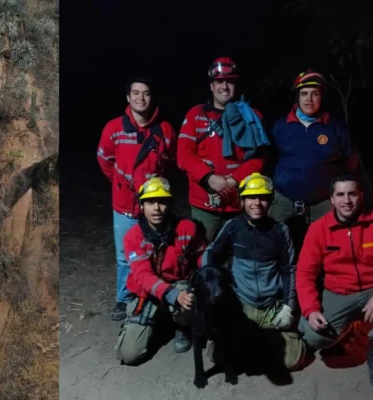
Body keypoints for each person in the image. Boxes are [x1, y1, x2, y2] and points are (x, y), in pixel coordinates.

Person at [200, 172, 306, 370]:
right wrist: (211, 284)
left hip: (271, 305)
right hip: (242, 303)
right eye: (251, 197)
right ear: (242, 201)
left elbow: (289, 269)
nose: (257, 203)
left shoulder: (280, 231)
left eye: (263, 197)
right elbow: (211, 254)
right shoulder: (233, 227)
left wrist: (288, 307)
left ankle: (269, 337)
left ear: (270, 201)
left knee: (292, 361)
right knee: (219, 356)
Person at [97, 76, 178, 321]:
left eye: (146, 93)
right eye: (136, 93)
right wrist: (121, 185)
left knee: (158, 252)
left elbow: (172, 162)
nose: (141, 98)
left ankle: (155, 296)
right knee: (124, 256)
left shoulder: (164, 130)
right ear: (128, 97)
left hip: (155, 206)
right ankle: (123, 299)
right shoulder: (114, 128)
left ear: (152, 97)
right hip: (124, 206)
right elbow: (104, 160)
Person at [115, 177, 205, 364]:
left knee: (189, 294)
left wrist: (205, 281)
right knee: (129, 355)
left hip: (179, 284)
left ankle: (183, 324)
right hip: (147, 292)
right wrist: (171, 294)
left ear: (170, 204)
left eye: (162, 201)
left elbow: (201, 257)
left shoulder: (187, 228)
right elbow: (143, 276)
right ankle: (154, 321)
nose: (156, 208)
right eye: (150, 202)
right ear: (141, 206)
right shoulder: (133, 237)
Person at [177, 57, 267, 243]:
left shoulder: (251, 115)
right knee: (203, 256)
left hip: (240, 202)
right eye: (219, 81)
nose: (224, 86)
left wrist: (234, 180)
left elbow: (259, 157)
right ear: (211, 86)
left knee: (239, 257)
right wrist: (209, 178)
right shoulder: (196, 114)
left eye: (230, 81)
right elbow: (183, 155)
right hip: (204, 204)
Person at [269, 70, 359, 252]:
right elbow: (268, 159)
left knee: (328, 249)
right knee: (277, 247)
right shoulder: (280, 126)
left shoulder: (336, 127)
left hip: (323, 203)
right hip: (284, 201)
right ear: (297, 97)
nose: (309, 99)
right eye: (304, 94)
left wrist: (340, 195)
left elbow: (351, 162)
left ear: (322, 97)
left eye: (314, 93)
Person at [297, 173, 373, 385]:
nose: (346, 201)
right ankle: (352, 329)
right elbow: (305, 272)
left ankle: (363, 337)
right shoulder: (318, 229)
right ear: (332, 199)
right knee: (314, 336)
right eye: (340, 195)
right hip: (338, 292)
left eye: (352, 194)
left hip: (371, 290)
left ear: (361, 195)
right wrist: (311, 310)